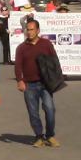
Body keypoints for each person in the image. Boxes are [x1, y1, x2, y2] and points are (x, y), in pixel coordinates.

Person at [15, 19, 60, 148]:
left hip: (45, 84)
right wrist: (20, 80)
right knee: (33, 112)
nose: (29, 32)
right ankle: (39, 136)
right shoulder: (22, 48)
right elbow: (18, 66)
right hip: (29, 85)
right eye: (27, 30)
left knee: (50, 109)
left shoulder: (46, 44)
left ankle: (50, 135)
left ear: (38, 30)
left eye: (32, 29)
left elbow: (54, 61)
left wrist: (55, 79)